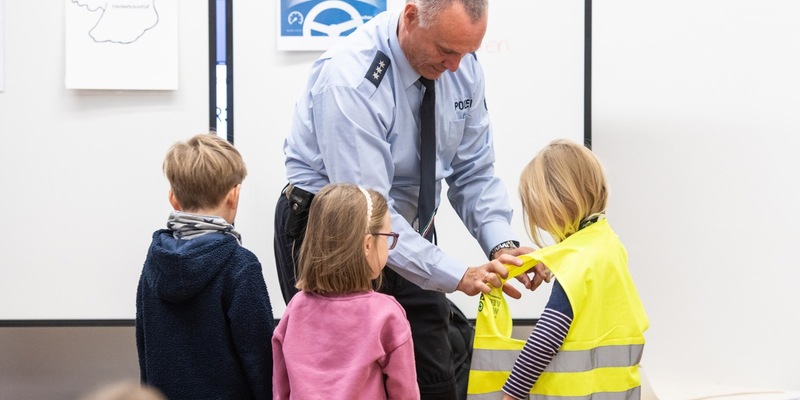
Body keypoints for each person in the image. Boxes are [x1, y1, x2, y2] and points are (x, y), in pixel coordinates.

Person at [274, 1, 547, 398]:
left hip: (407, 229)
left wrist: (502, 245)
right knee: (347, 383)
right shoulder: (351, 78)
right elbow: (370, 210)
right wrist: (458, 274)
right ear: (410, 17)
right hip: (337, 233)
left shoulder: (462, 67)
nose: (456, 67)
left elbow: (473, 172)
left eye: (467, 53)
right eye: (446, 51)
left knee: (433, 377)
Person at [500, 139, 649, 399]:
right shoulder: (608, 243)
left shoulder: (577, 261)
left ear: (556, 205)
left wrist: (512, 393)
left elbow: (547, 336)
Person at [136, 133, 274, 400]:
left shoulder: (153, 262)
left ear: (173, 199)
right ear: (234, 196)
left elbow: (145, 347)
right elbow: (259, 358)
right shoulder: (240, 265)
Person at [272, 183, 420, 399]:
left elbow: (281, 388)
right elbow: (405, 393)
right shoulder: (386, 314)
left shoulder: (296, 308)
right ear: (368, 244)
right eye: (388, 237)